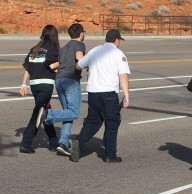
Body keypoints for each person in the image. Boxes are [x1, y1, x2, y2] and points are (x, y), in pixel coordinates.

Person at [70, 29, 130, 163]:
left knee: (93, 122)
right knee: (112, 123)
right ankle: (110, 155)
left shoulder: (95, 50)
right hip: (108, 93)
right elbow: (123, 75)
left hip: (93, 93)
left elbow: (79, 65)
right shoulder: (118, 54)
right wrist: (126, 95)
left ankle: (79, 142)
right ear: (117, 40)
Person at [36, 24, 86, 156]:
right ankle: (48, 114)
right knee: (74, 113)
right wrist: (89, 64)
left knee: (67, 113)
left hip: (59, 81)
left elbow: (58, 65)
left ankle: (63, 143)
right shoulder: (79, 45)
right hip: (71, 81)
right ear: (81, 34)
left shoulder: (63, 48)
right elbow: (80, 60)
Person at [19, 24, 60, 153]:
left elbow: (27, 67)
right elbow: (53, 66)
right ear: (54, 35)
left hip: (34, 85)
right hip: (45, 86)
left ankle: (54, 142)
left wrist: (23, 84)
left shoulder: (34, 49)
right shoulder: (53, 49)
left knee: (45, 112)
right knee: (37, 114)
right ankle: (26, 143)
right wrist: (63, 61)